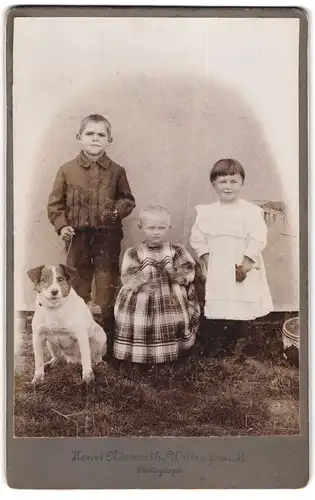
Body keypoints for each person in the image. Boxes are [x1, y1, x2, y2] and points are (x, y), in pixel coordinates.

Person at [47, 114, 136, 342]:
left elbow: (127, 200)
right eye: (89, 134)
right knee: (77, 284)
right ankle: (75, 337)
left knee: (106, 285)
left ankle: (105, 338)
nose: (95, 139)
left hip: (107, 238)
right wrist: (62, 226)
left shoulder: (117, 171)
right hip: (78, 239)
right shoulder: (67, 170)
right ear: (79, 137)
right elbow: (55, 204)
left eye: (101, 135)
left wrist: (116, 211)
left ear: (109, 140)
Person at [190, 158, 273, 358]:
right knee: (221, 301)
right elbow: (198, 237)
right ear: (214, 185)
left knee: (241, 299)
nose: (228, 187)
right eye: (223, 182)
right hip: (218, 264)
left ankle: (236, 342)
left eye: (233, 182)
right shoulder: (207, 212)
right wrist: (207, 258)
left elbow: (257, 238)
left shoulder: (251, 212)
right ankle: (219, 341)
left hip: (241, 264)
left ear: (242, 183)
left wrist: (245, 264)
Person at [113, 205, 200, 367]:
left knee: (174, 319)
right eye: (151, 228)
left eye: (161, 227)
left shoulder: (176, 250)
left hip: (170, 295)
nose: (156, 232)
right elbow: (128, 274)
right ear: (141, 227)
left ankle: (171, 354)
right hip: (143, 295)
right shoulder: (134, 252)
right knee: (142, 323)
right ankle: (141, 358)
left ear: (168, 227)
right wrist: (141, 284)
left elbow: (188, 266)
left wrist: (179, 275)